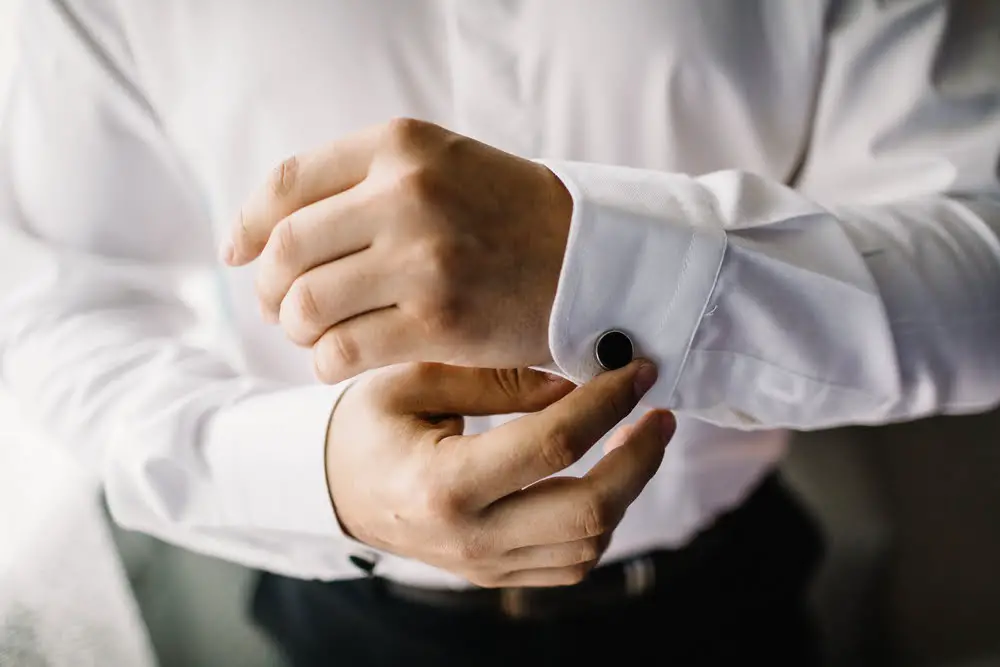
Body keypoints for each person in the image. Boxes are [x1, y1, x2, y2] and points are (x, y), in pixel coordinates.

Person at [1, 1, 998, 665]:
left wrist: (590, 260)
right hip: (347, 627)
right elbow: (56, 306)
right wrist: (317, 475)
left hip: (729, 605)